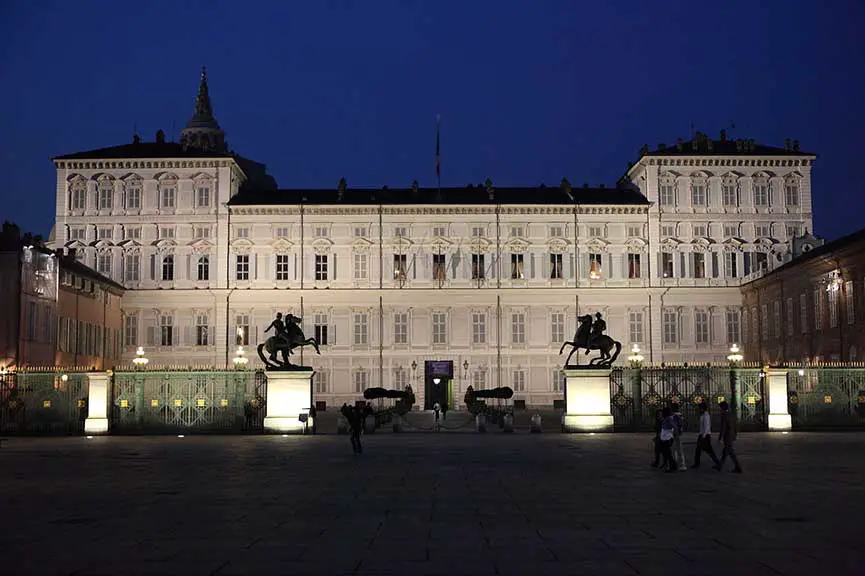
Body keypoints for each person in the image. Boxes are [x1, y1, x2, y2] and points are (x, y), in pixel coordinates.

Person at [714, 401, 743, 473]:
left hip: (727, 436)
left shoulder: (724, 415)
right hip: (731, 435)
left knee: (730, 452)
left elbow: (723, 428)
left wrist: (720, 438)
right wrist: (735, 435)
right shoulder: (731, 415)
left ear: (722, 408)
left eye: (720, 408)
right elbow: (736, 426)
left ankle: (738, 467)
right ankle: (719, 465)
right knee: (726, 451)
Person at [692, 401, 720, 468]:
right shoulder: (703, 415)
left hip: (705, 435)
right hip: (703, 435)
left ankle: (697, 463)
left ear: (702, 408)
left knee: (704, 450)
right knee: (705, 450)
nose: (699, 409)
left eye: (700, 408)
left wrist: (703, 436)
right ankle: (717, 463)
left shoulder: (706, 416)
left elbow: (707, 427)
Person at [659, 407, 676, 472]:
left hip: (667, 438)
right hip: (664, 438)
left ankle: (671, 466)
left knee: (668, 453)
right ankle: (671, 465)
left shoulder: (669, 419)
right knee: (666, 453)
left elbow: (673, 427)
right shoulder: (665, 419)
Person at [670, 402, 687, 471]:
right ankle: (679, 463)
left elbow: (674, 426)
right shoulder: (680, 416)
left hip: (676, 434)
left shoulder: (674, 416)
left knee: (677, 450)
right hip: (679, 434)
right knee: (678, 450)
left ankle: (681, 464)